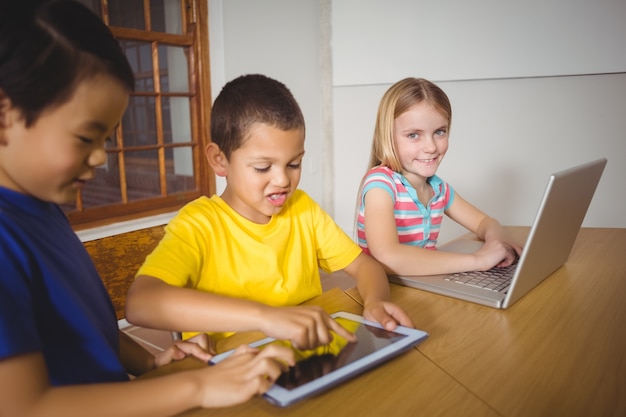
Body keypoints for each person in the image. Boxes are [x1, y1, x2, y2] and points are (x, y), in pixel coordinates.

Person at [0, 2, 295, 416]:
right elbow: (25, 407)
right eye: (86, 137)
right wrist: (197, 387)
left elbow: (85, 330)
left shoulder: (42, 209)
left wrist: (152, 362)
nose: (102, 157)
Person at [125, 74, 414, 350]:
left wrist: (375, 301)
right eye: (263, 167)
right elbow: (141, 303)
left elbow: (366, 267)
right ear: (219, 160)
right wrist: (266, 317)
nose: (282, 180)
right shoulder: (199, 224)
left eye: (294, 164)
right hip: (239, 365)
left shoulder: (303, 209)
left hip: (307, 353)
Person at [356, 77, 522, 277]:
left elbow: (484, 222)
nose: (431, 147)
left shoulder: (439, 189)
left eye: (439, 132)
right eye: (413, 135)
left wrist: (497, 240)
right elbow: (387, 255)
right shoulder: (380, 185)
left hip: (424, 282)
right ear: (387, 137)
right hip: (386, 289)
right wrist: (478, 260)